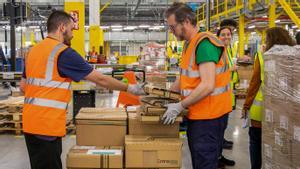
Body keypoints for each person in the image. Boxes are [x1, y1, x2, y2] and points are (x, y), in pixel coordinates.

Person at [20, 11, 145, 169]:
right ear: (62, 27)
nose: (73, 35)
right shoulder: (63, 53)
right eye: (72, 29)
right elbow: (100, 79)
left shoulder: (33, 52)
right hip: (47, 127)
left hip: (30, 124)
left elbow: (23, 87)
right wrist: (130, 88)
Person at [162, 3, 232, 169]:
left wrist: (180, 105)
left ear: (186, 21)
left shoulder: (204, 44)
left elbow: (208, 85)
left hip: (209, 117)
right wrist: (164, 96)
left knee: (205, 163)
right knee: (199, 161)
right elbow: (185, 78)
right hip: (198, 115)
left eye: (173, 27)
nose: (171, 31)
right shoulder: (189, 43)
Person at [242, 27, 296, 169]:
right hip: (287, 113)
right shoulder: (295, 58)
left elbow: (254, 85)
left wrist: (246, 106)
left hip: (261, 112)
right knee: (281, 147)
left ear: (271, 40)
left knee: (255, 142)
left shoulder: (262, 56)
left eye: (266, 39)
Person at [216, 26, 238, 167]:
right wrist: (231, 69)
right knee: (217, 131)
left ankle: (219, 155)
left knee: (221, 129)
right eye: (223, 34)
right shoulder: (217, 51)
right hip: (217, 100)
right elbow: (215, 72)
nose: (226, 37)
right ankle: (216, 159)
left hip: (226, 98)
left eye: (228, 34)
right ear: (218, 37)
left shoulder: (227, 50)